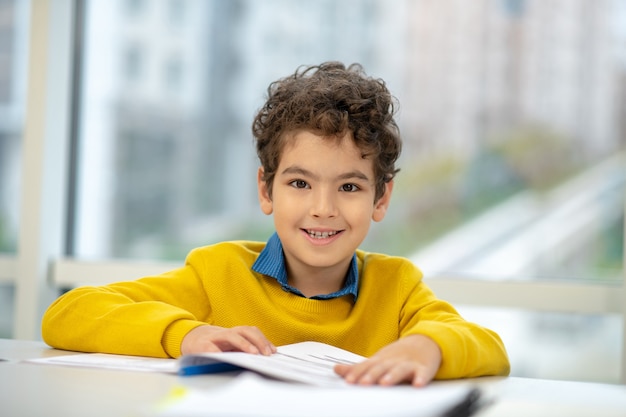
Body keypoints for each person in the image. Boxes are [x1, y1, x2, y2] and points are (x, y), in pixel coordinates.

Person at [42, 61, 510, 387]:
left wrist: (427, 348)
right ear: (266, 191)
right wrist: (187, 334)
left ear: (380, 198)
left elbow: (489, 348)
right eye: (300, 183)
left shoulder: (399, 289)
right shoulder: (216, 273)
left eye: (349, 187)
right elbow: (68, 314)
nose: (323, 208)